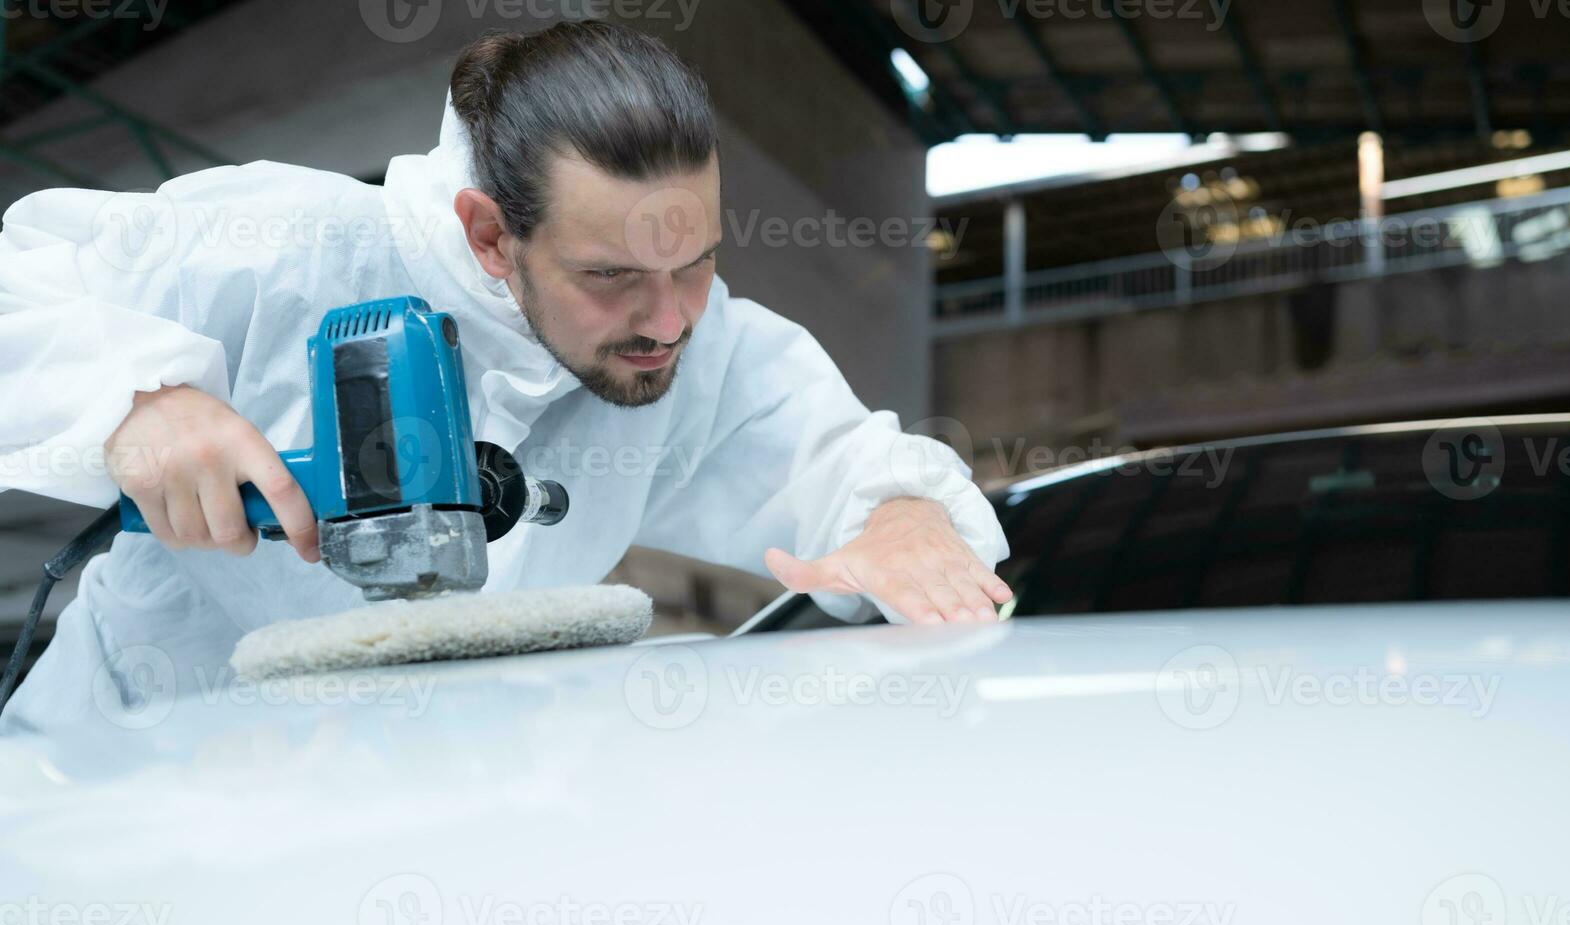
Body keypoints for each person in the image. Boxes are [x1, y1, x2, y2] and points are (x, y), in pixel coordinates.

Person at [0, 21, 1009, 734]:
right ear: (489, 233)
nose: (669, 322)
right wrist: (133, 400)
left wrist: (902, 516)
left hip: (420, 808)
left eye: (696, 260)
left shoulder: (693, 357)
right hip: (126, 778)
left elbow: (841, 457)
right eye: (610, 277)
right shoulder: (276, 247)